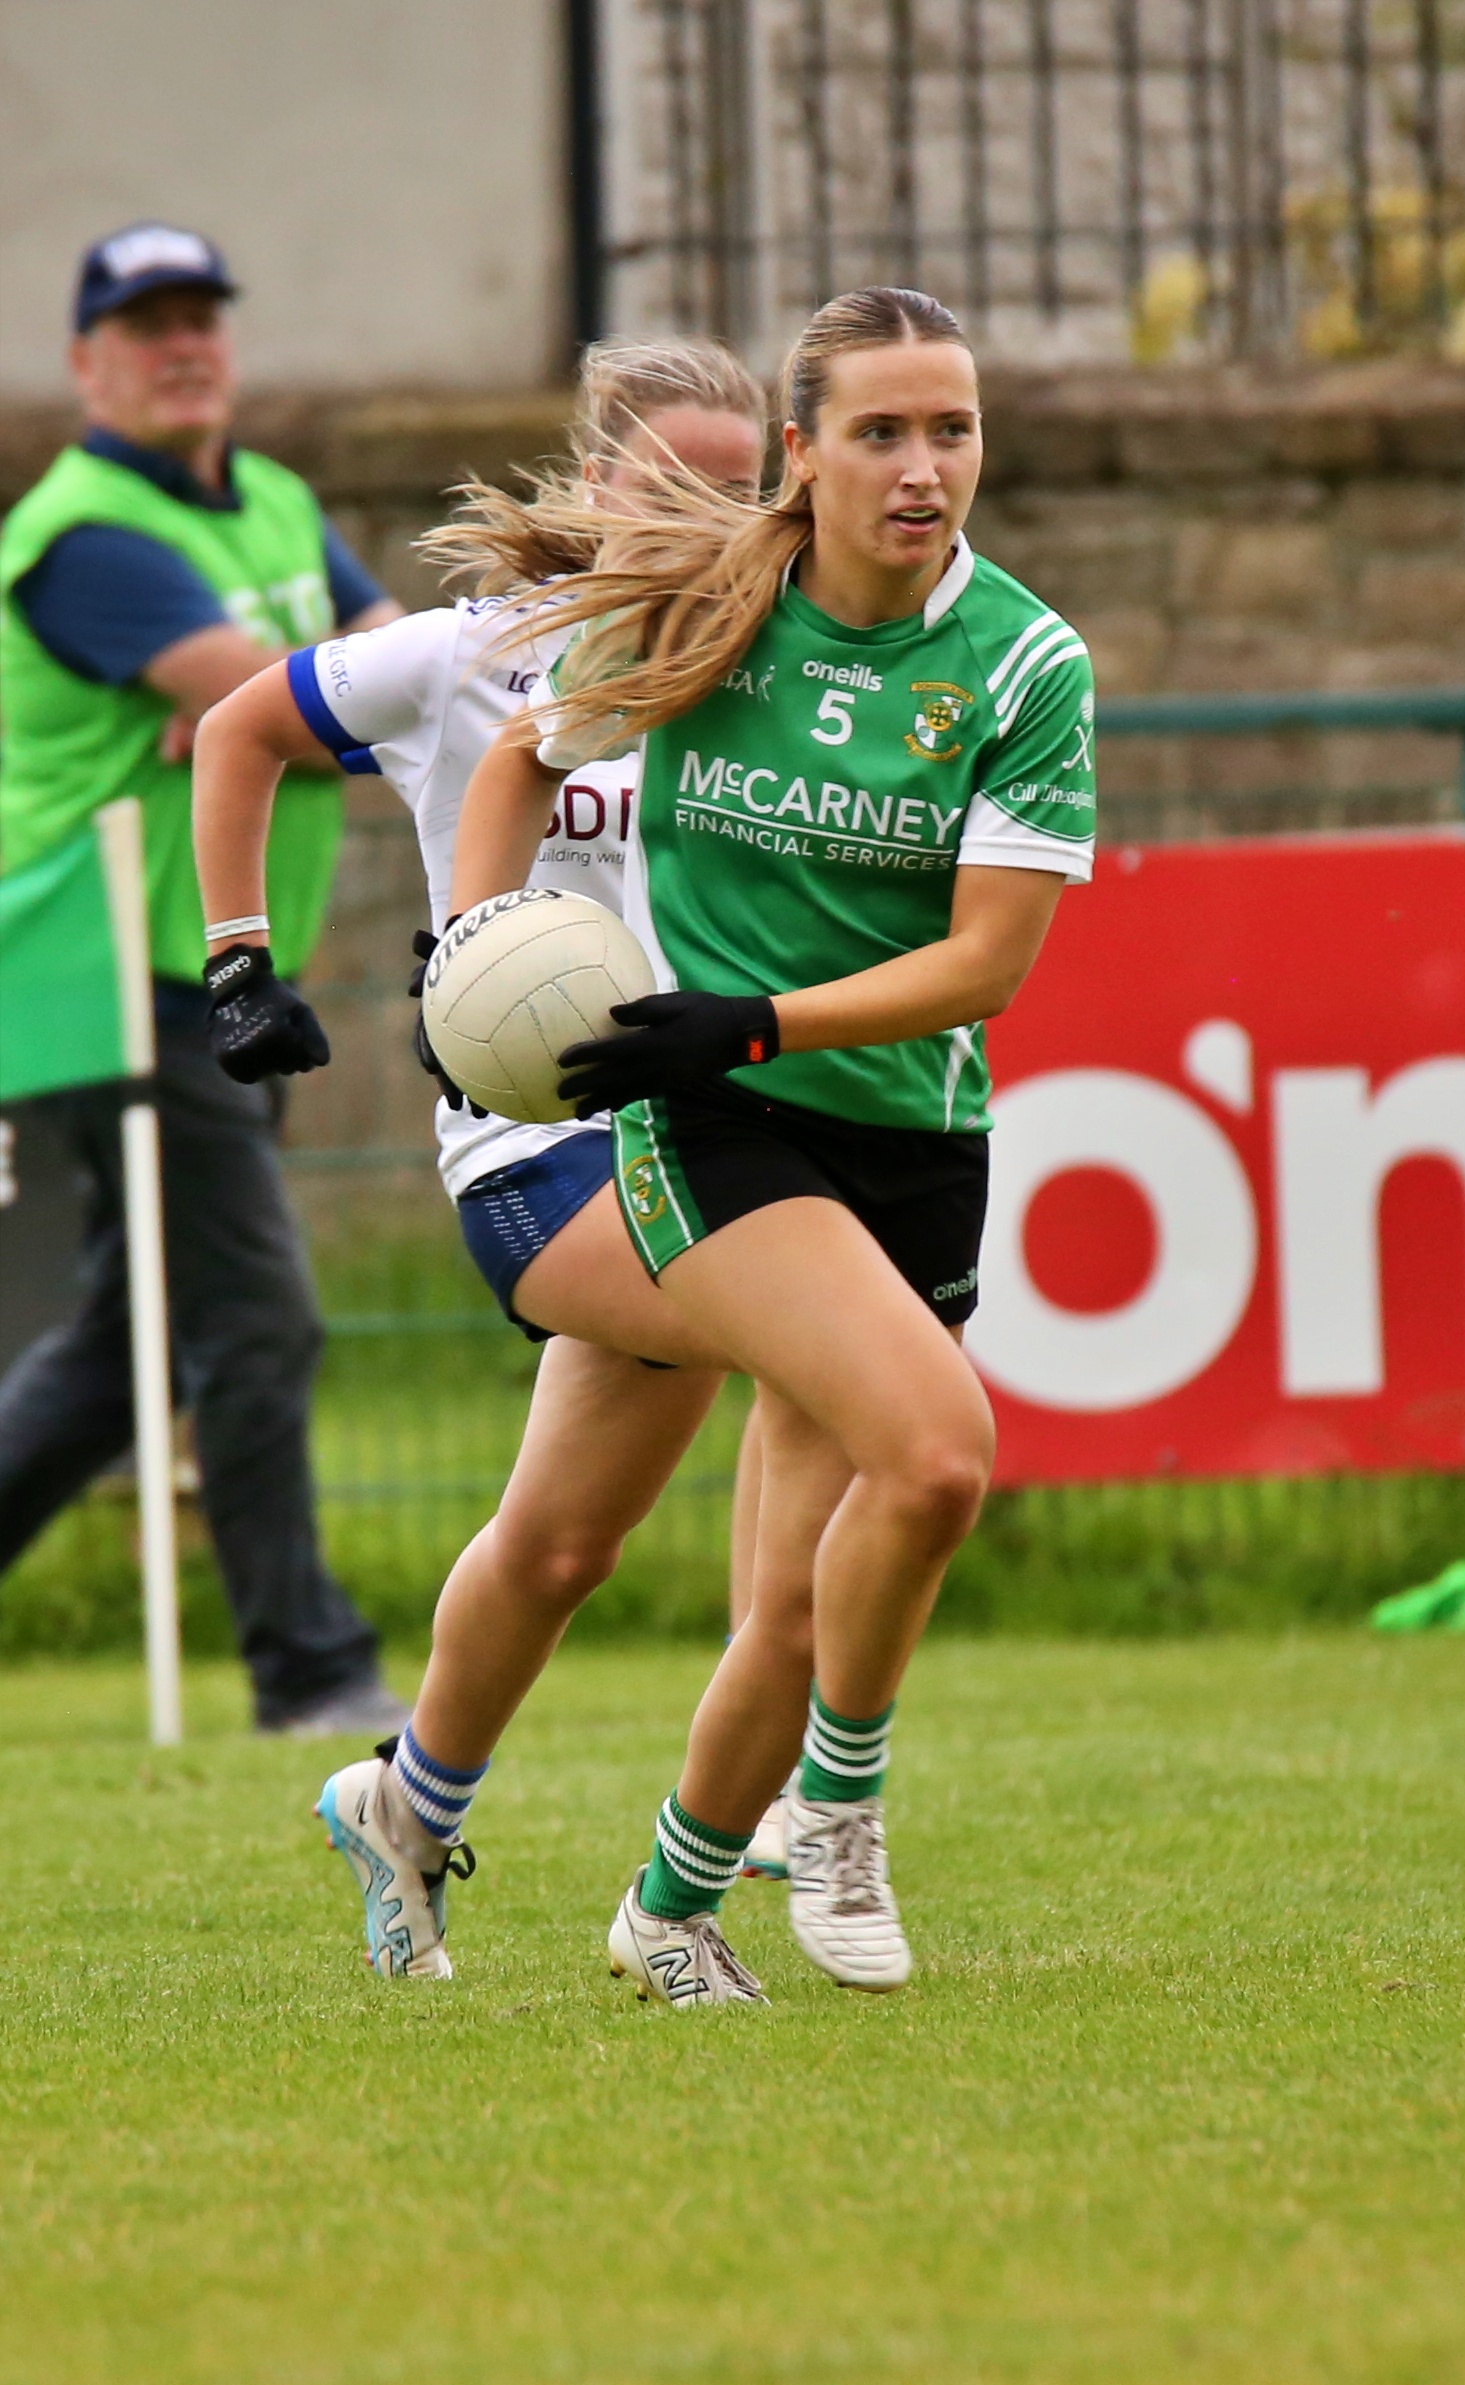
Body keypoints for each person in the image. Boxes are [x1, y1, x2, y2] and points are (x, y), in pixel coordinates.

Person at [448, 286, 1096, 2005]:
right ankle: (844, 1808)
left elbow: (985, 967)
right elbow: (516, 762)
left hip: (906, 1136)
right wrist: (469, 956)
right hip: (716, 1126)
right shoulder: (714, 606)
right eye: (880, 432)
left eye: (951, 429)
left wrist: (751, 1015)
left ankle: (668, 1907)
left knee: (802, 1603)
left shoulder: (1023, 662)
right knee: (939, 1459)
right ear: (801, 453)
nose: (921, 467)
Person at [192, 338, 786, 1974]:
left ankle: (404, 1803)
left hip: (697, 1131)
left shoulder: (769, 668)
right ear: (596, 482)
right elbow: (236, 729)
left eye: (743, 486)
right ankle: (781, 1795)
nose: (713, 515)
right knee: (828, 1349)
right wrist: (239, 964)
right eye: (673, 481)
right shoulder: (471, 656)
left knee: (559, 1545)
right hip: (533, 1156)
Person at [0, 222, 406, 1734]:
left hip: (220, 976)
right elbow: (327, 702)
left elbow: (400, 679)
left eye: (201, 318)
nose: (183, 346)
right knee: (258, 1318)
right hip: (115, 980)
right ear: (85, 363)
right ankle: (312, 1673)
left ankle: (304, 1663)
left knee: (130, 1350)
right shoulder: (84, 533)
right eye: (146, 324)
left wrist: (267, 708)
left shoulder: (280, 500)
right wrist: (285, 706)